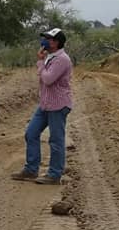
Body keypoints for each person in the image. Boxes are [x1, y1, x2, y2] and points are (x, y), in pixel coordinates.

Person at [11, 27, 73, 185]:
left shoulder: (62, 59)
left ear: (56, 42)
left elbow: (48, 79)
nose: (44, 41)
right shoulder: (50, 57)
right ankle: (31, 170)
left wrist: (40, 62)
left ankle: (54, 174)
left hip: (58, 105)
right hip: (46, 104)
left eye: (48, 39)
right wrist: (42, 61)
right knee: (31, 133)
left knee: (56, 140)